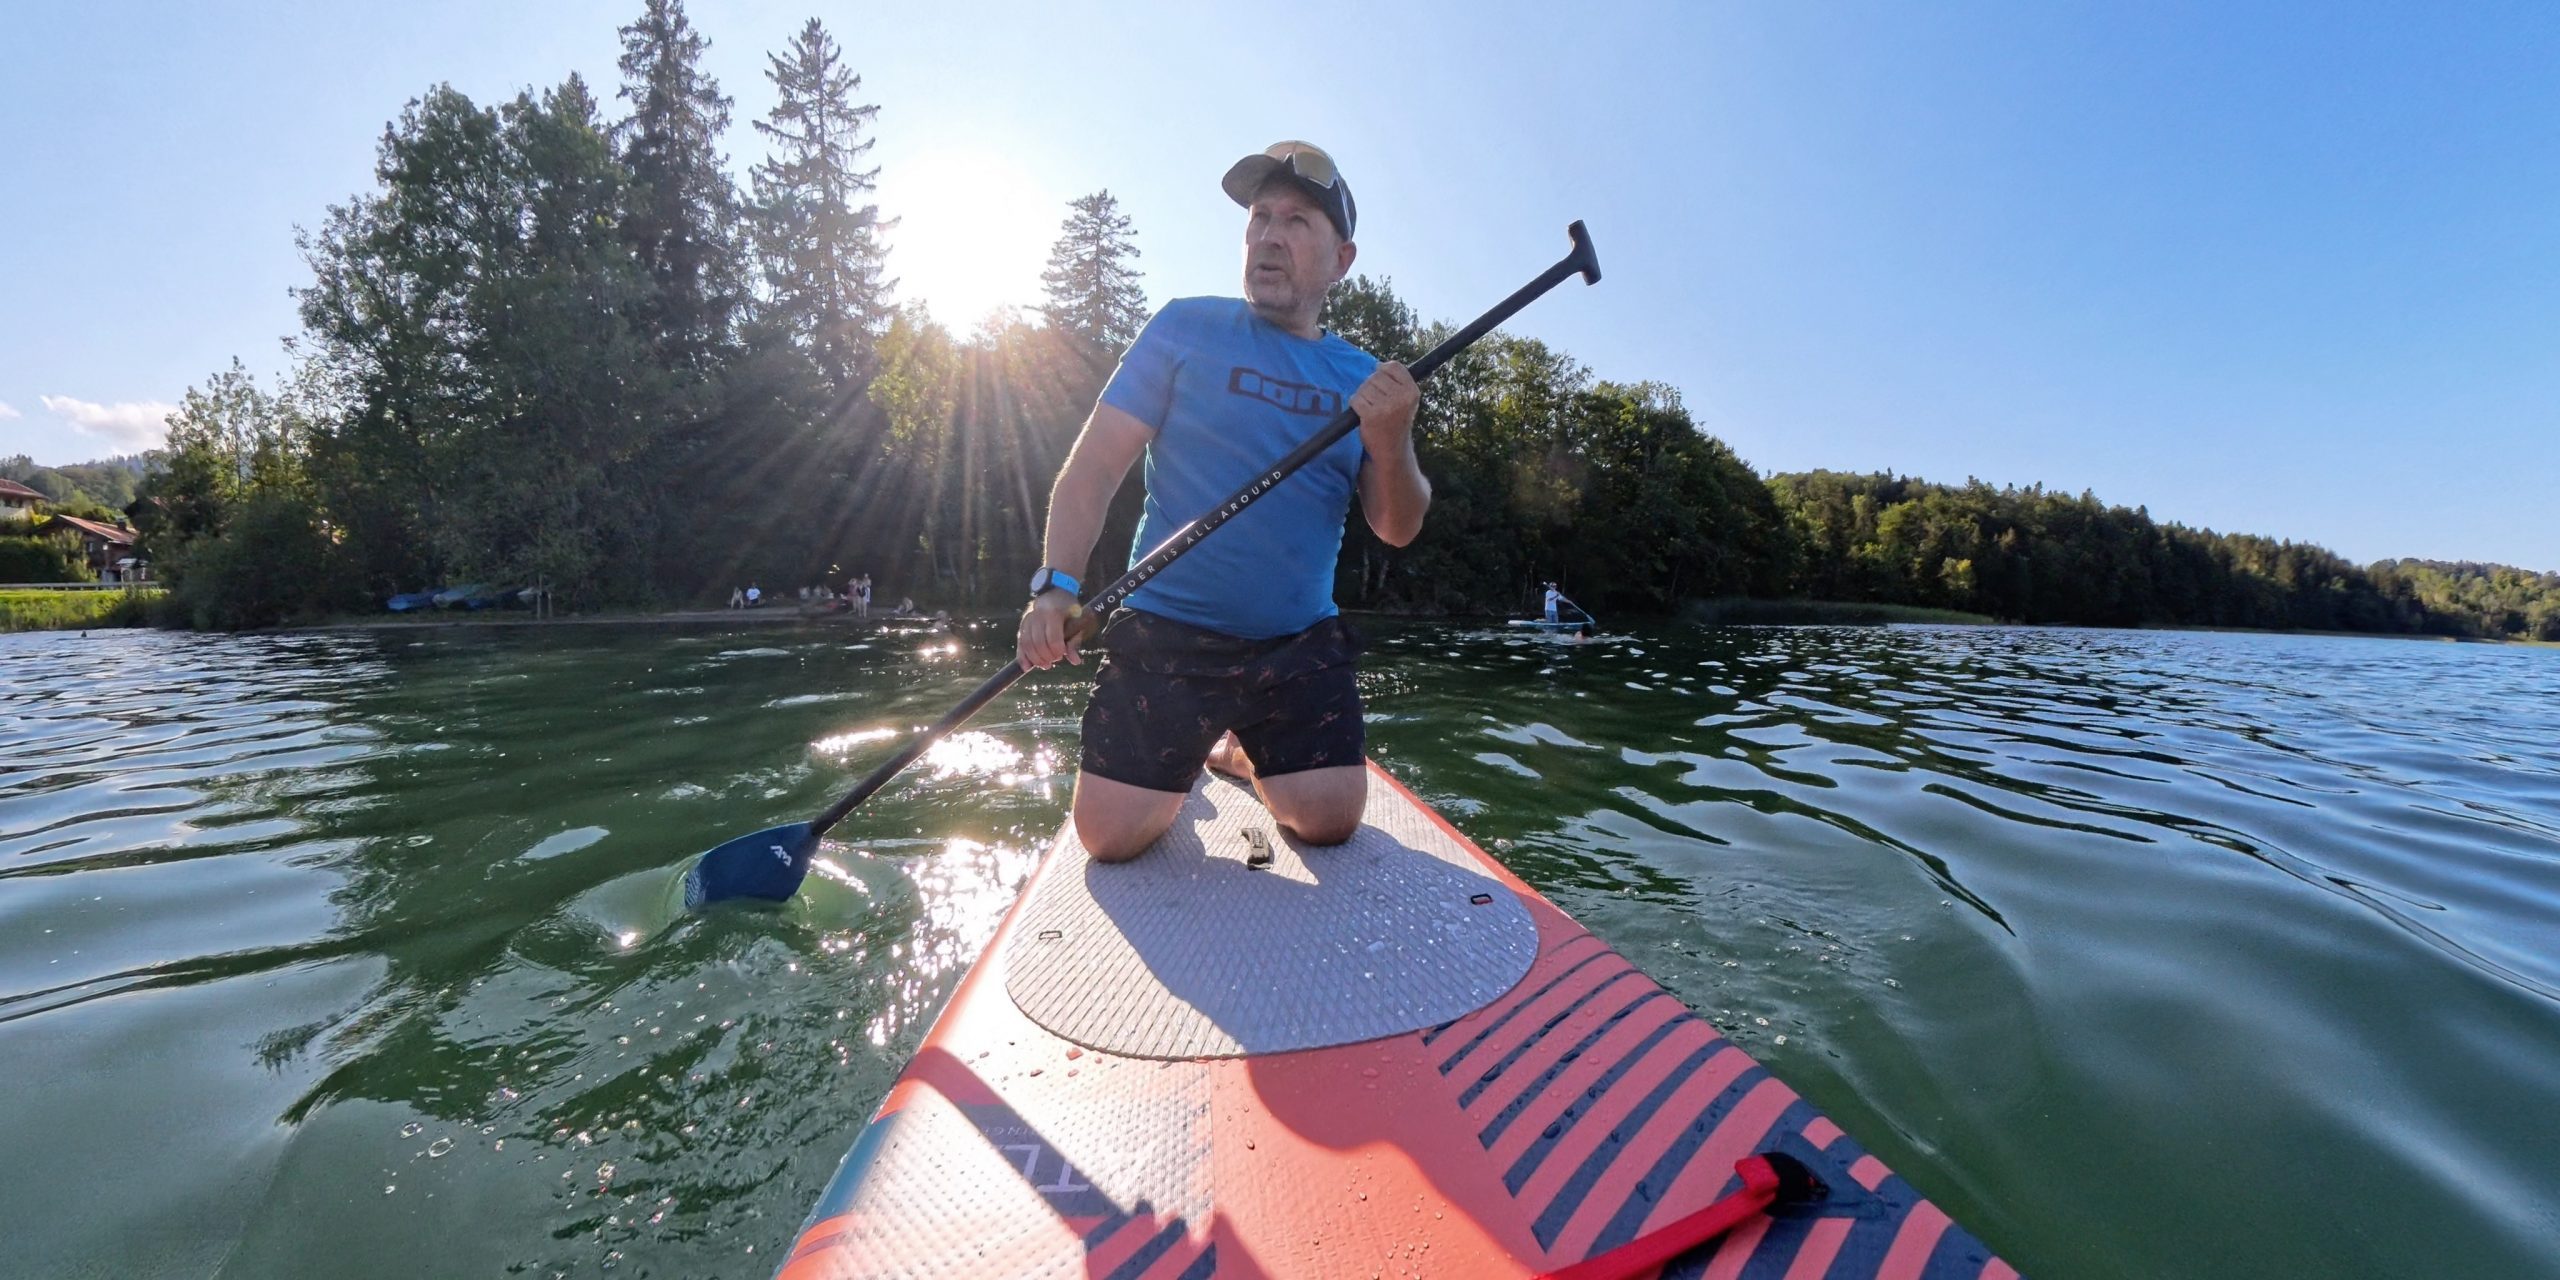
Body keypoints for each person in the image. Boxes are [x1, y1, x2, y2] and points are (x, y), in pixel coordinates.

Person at [1017, 140, 1428, 862]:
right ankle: (1199, 747)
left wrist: (1391, 444)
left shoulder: (1366, 378)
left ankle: (1240, 752)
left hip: (1296, 645)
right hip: (1168, 630)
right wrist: (1056, 588)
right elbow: (1094, 468)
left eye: (1297, 221)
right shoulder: (1183, 327)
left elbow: (1396, 528)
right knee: (1109, 838)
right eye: (1260, 217)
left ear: (1342, 260)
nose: (1269, 234)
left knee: (1329, 822)